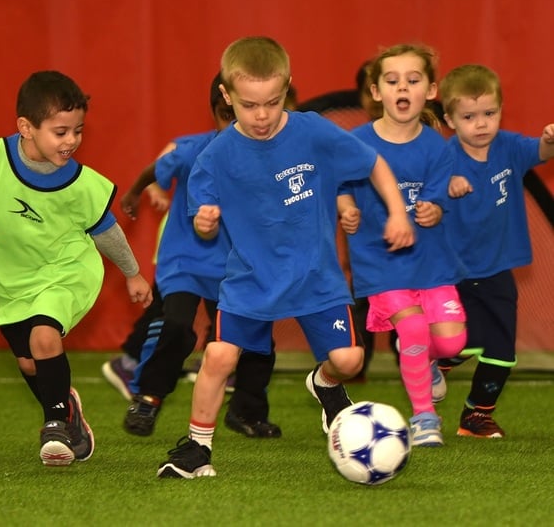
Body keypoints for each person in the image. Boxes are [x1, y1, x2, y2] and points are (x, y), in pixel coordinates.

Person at [156, 36, 414, 479]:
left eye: (272, 103)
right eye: (249, 104)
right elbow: (202, 222)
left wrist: (396, 212)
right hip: (251, 280)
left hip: (316, 278)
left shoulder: (311, 131)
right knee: (218, 356)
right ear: (226, 96)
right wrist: (207, 221)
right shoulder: (214, 157)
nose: (261, 116)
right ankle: (197, 449)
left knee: (350, 361)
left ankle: (325, 384)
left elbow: (372, 162)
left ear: (288, 90)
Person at [0, 70, 153, 467]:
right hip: (7, 280)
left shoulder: (82, 184)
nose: (71, 141)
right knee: (29, 361)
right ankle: (67, 408)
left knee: (44, 335)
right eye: (60, 131)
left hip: (64, 271)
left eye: (78, 131)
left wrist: (132, 272)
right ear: (26, 127)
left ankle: (54, 423)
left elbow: (107, 232)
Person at [109, 72, 281, 439]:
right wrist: (135, 192)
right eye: (229, 113)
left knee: (256, 339)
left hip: (235, 269)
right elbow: (156, 169)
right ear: (219, 109)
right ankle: (148, 397)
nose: (236, 122)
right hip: (185, 261)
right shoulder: (192, 150)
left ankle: (247, 411)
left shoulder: (267, 159)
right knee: (175, 326)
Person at [338, 44, 467, 447]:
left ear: (431, 90)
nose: (402, 89)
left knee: (450, 342)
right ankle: (424, 418)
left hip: (430, 261)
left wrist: (433, 212)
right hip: (380, 262)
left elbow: (437, 199)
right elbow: (338, 183)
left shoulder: (437, 146)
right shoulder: (357, 142)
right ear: (376, 92)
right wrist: (346, 208)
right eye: (392, 82)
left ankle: (429, 363)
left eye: (413, 81)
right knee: (411, 329)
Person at [435, 64, 554, 438]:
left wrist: (549, 140)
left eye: (490, 113)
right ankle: (432, 359)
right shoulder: (443, 159)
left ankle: (477, 416)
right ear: (450, 120)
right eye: (469, 117)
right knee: (462, 338)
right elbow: (422, 200)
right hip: (457, 271)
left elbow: (539, 151)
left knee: (502, 349)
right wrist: (443, 187)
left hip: (499, 267)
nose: (481, 124)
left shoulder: (508, 147)